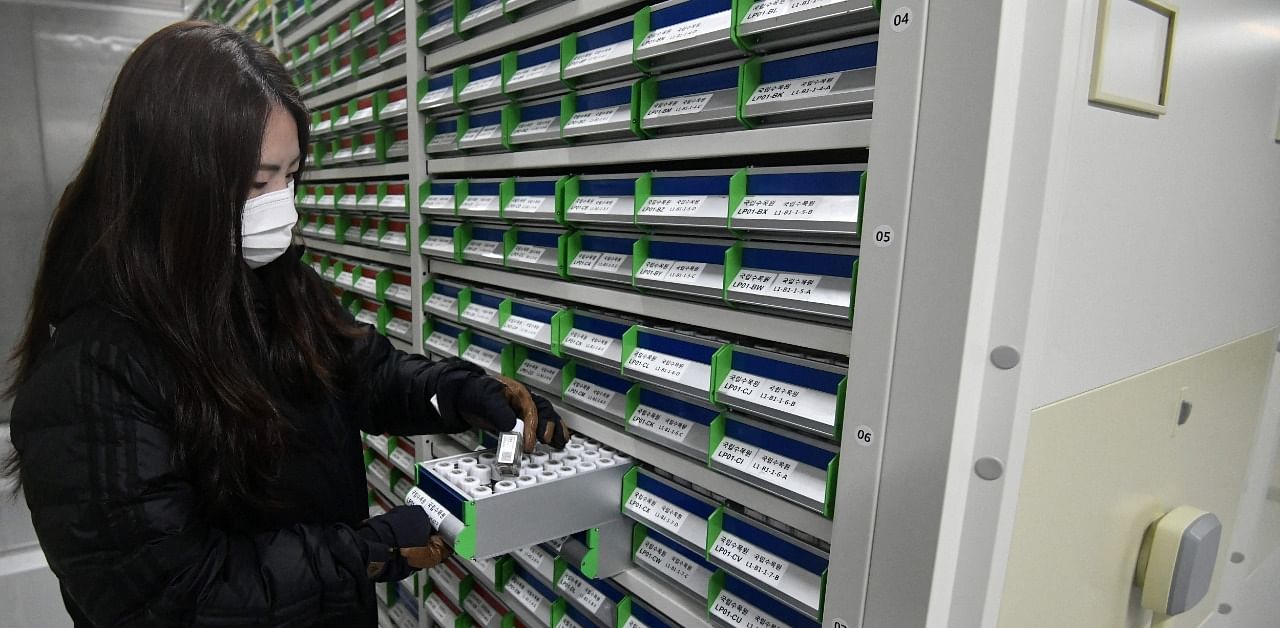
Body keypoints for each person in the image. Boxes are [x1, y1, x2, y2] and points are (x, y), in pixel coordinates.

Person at [3, 21, 569, 627]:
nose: (282, 205)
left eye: (291, 175)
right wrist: (360, 553)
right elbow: (171, 597)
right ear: (171, 183)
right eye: (255, 182)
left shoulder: (263, 279)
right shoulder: (93, 369)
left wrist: (455, 394)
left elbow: (359, 374)